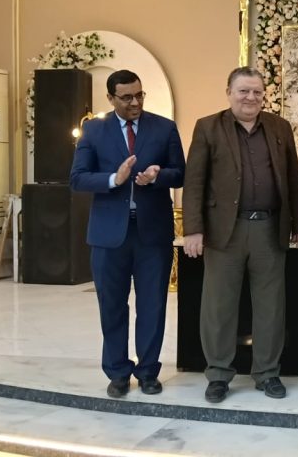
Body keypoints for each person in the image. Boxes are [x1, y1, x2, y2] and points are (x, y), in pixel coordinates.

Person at [182, 66, 298, 403]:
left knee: (271, 307)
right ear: (229, 93)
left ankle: (267, 373)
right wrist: (193, 229)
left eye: (257, 92)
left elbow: (293, 178)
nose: (251, 97)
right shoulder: (208, 127)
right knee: (219, 307)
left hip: (269, 229)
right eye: (243, 91)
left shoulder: (279, 127)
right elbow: (194, 182)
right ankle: (218, 375)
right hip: (224, 232)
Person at [69, 69, 185, 398]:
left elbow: (180, 173)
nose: (135, 102)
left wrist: (158, 175)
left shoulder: (164, 128)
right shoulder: (94, 130)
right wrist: (113, 180)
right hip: (108, 235)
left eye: (139, 95)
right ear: (111, 98)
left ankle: (148, 372)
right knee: (112, 306)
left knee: (153, 306)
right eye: (127, 97)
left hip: (152, 233)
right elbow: (77, 178)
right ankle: (118, 372)